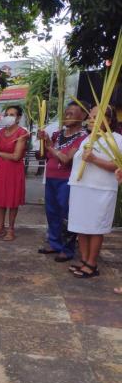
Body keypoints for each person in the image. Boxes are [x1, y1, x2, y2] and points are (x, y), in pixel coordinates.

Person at [67, 105, 121, 278]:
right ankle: (84, 260)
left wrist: (94, 159)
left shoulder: (116, 139)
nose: (91, 119)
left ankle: (92, 263)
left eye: (96, 116)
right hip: (81, 188)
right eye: (90, 115)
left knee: (95, 228)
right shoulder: (87, 138)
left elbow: (117, 165)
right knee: (81, 226)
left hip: (100, 190)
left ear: (109, 120)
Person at [36, 101, 89, 261]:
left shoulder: (83, 138)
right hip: (51, 178)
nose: (67, 116)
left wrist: (50, 146)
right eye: (66, 113)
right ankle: (54, 243)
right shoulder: (57, 135)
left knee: (66, 215)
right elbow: (42, 156)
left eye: (72, 113)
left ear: (84, 116)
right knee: (52, 212)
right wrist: (41, 142)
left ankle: (67, 249)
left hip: (67, 181)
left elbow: (66, 160)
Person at [0, 105, 29, 241]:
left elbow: (16, 156)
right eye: (7, 114)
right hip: (2, 169)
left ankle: (11, 229)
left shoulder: (22, 133)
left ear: (18, 117)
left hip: (15, 170)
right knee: (1, 199)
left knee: (12, 200)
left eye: (12, 114)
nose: (8, 117)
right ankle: (0, 227)